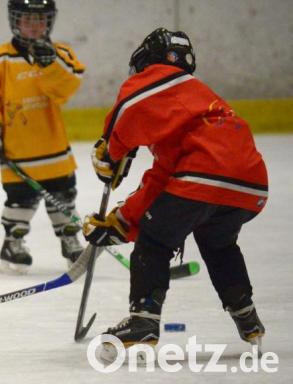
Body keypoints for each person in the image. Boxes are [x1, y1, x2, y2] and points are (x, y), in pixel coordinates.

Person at [82, 28, 268, 359]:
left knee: (154, 241)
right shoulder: (195, 109)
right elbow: (161, 184)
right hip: (249, 184)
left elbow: (128, 108)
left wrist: (110, 151)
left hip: (202, 176)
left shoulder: (159, 78)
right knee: (218, 242)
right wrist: (121, 222)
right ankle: (246, 316)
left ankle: (143, 322)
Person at [0, 0, 86, 274]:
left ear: (50, 21)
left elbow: (67, 88)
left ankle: (69, 239)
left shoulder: (62, 54)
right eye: (27, 19)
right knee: (19, 201)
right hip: (17, 152)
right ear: (15, 20)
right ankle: (13, 242)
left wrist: (51, 64)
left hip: (55, 150)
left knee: (64, 197)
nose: (34, 26)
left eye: (40, 19)